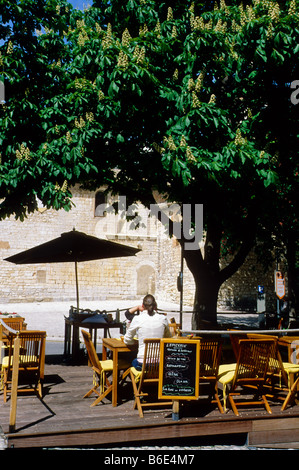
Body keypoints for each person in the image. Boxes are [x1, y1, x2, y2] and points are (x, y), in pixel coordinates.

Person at [123, 294, 171, 370]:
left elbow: (127, 340)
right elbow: (168, 338)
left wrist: (136, 342)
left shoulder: (138, 319)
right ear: (155, 306)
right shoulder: (163, 318)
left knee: (129, 361)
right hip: (160, 363)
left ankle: (136, 380)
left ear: (142, 306)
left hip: (143, 363)